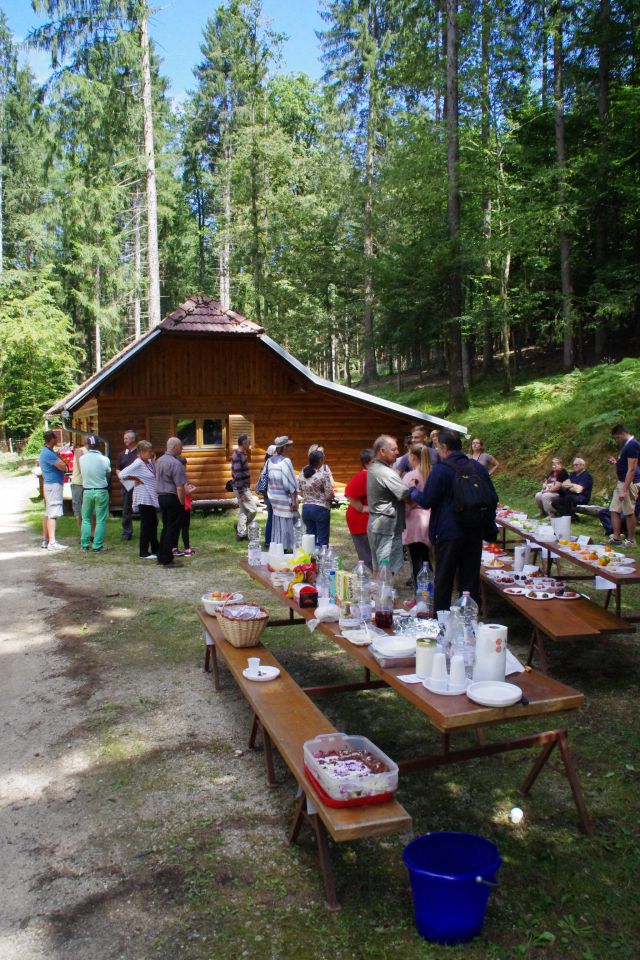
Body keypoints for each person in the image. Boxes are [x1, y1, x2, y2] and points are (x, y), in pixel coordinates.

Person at [411, 429, 497, 612]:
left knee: (444, 578)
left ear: (443, 447)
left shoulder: (440, 470)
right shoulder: (478, 468)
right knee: (470, 579)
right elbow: (492, 498)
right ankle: (468, 619)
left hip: (448, 532)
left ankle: (441, 620)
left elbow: (427, 501)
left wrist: (413, 491)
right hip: (474, 531)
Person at [367, 435, 411, 574]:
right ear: (382, 451)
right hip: (387, 526)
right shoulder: (385, 472)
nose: (397, 452)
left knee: (378, 567)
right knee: (386, 569)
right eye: (393, 449)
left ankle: (378, 588)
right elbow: (405, 494)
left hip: (377, 523)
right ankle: (385, 589)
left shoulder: (374, 468)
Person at [118, 440, 160, 559]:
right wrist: (135, 478)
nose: (151, 453)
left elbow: (155, 474)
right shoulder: (138, 463)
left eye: (151, 451)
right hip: (143, 497)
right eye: (149, 451)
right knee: (146, 524)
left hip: (151, 497)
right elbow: (122, 474)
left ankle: (156, 549)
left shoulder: (149, 462)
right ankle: (143, 552)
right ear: (141, 452)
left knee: (153, 523)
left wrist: (154, 461)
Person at [155, 437, 188, 567]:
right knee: (172, 529)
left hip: (161, 497)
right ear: (174, 447)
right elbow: (180, 487)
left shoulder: (159, 461)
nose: (182, 449)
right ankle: (167, 560)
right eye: (180, 446)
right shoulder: (176, 463)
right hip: (172, 497)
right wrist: (181, 502)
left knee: (166, 526)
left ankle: (161, 555)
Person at [402, 443, 431, 586]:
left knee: (416, 558)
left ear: (413, 456)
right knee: (427, 558)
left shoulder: (410, 476)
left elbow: (404, 500)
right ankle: (430, 587)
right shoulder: (432, 473)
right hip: (430, 517)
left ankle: (420, 591)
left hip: (414, 520)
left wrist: (402, 516)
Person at [607, 424, 640, 546]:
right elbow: (625, 464)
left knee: (628, 511)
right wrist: (616, 462)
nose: (617, 440)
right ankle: (616, 538)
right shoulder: (626, 445)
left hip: (630, 483)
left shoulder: (633, 445)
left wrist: (624, 489)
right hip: (621, 481)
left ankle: (631, 540)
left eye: (617, 437)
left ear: (623, 434)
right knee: (614, 509)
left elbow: (632, 469)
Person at [79, 435, 112, 553]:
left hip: (87, 490)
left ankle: (84, 545)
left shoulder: (82, 459)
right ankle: (97, 546)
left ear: (87, 445)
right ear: (99, 445)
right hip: (101, 490)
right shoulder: (104, 459)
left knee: (86, 519)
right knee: (100, 520)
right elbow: (108, 474)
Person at [265, 435, 298, 551]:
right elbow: (291, 483)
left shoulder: (269, 461)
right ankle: (286, 548)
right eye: (288, 446)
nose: (289, 448)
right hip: (284, 499)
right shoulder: (286, 461)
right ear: (284, 447)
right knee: (287, 525)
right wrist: (294, 500)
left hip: (274, 499)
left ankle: (278, 547)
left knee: (277, 525)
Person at [39, 430, 69, 551]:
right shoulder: (48, 453)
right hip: (53, 485)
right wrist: (63, 464)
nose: (57, 439)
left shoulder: (47, 451)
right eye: (55, 438)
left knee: (48, 512)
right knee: (53, 513)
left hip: (49, 484)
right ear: (51, 439)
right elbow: (63, 467)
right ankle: (52, 542)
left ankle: (45, 540)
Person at [298, 449, 334, 546]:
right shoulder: (323, 475)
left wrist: (308, 496)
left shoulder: (302, 473)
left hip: (306, 508)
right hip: (320, 509)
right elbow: (329, 495)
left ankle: (310, 556)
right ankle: (322, 555)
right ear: (320, 461)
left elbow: (299, 490)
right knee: (323, 539)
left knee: (310, 540)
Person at [345, 449, 374, 567]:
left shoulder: (372, 475)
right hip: (360, 520)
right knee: (367, 556)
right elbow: (349, 492)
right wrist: (362, 508)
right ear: (367, 464)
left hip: (367, 520)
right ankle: (370, 577)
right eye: (375, 462)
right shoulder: (364, 475)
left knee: (372, 556)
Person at [231, 433, 258, 540]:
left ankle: (241, 533)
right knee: (253, 509)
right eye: (249, 442)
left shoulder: (242, 454)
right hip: (242, 488)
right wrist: (241, 493)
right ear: (243, 443)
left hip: (243, 487)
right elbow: (237, 475)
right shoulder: (238, 455)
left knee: (244, 510)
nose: (250, 443)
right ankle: (240, 528)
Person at [116, 430, 139, 541]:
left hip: (139, 485)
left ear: (133, 439)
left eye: (126, 438)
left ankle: (147, 531)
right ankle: (127, 532)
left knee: (143, 508)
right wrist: (120, 477)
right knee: (126, 509)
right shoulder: (122, 454)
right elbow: (117, 469)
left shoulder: (140, 453)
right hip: (126, 486)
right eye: (124, 438)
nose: (124, 440)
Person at [256, 445, 276, 547]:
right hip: (271, 495)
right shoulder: (271, 464)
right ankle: (269, 540)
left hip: (267, 495)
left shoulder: (266, 464)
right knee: (272, 518)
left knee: (270, 517)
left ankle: (269, 540)